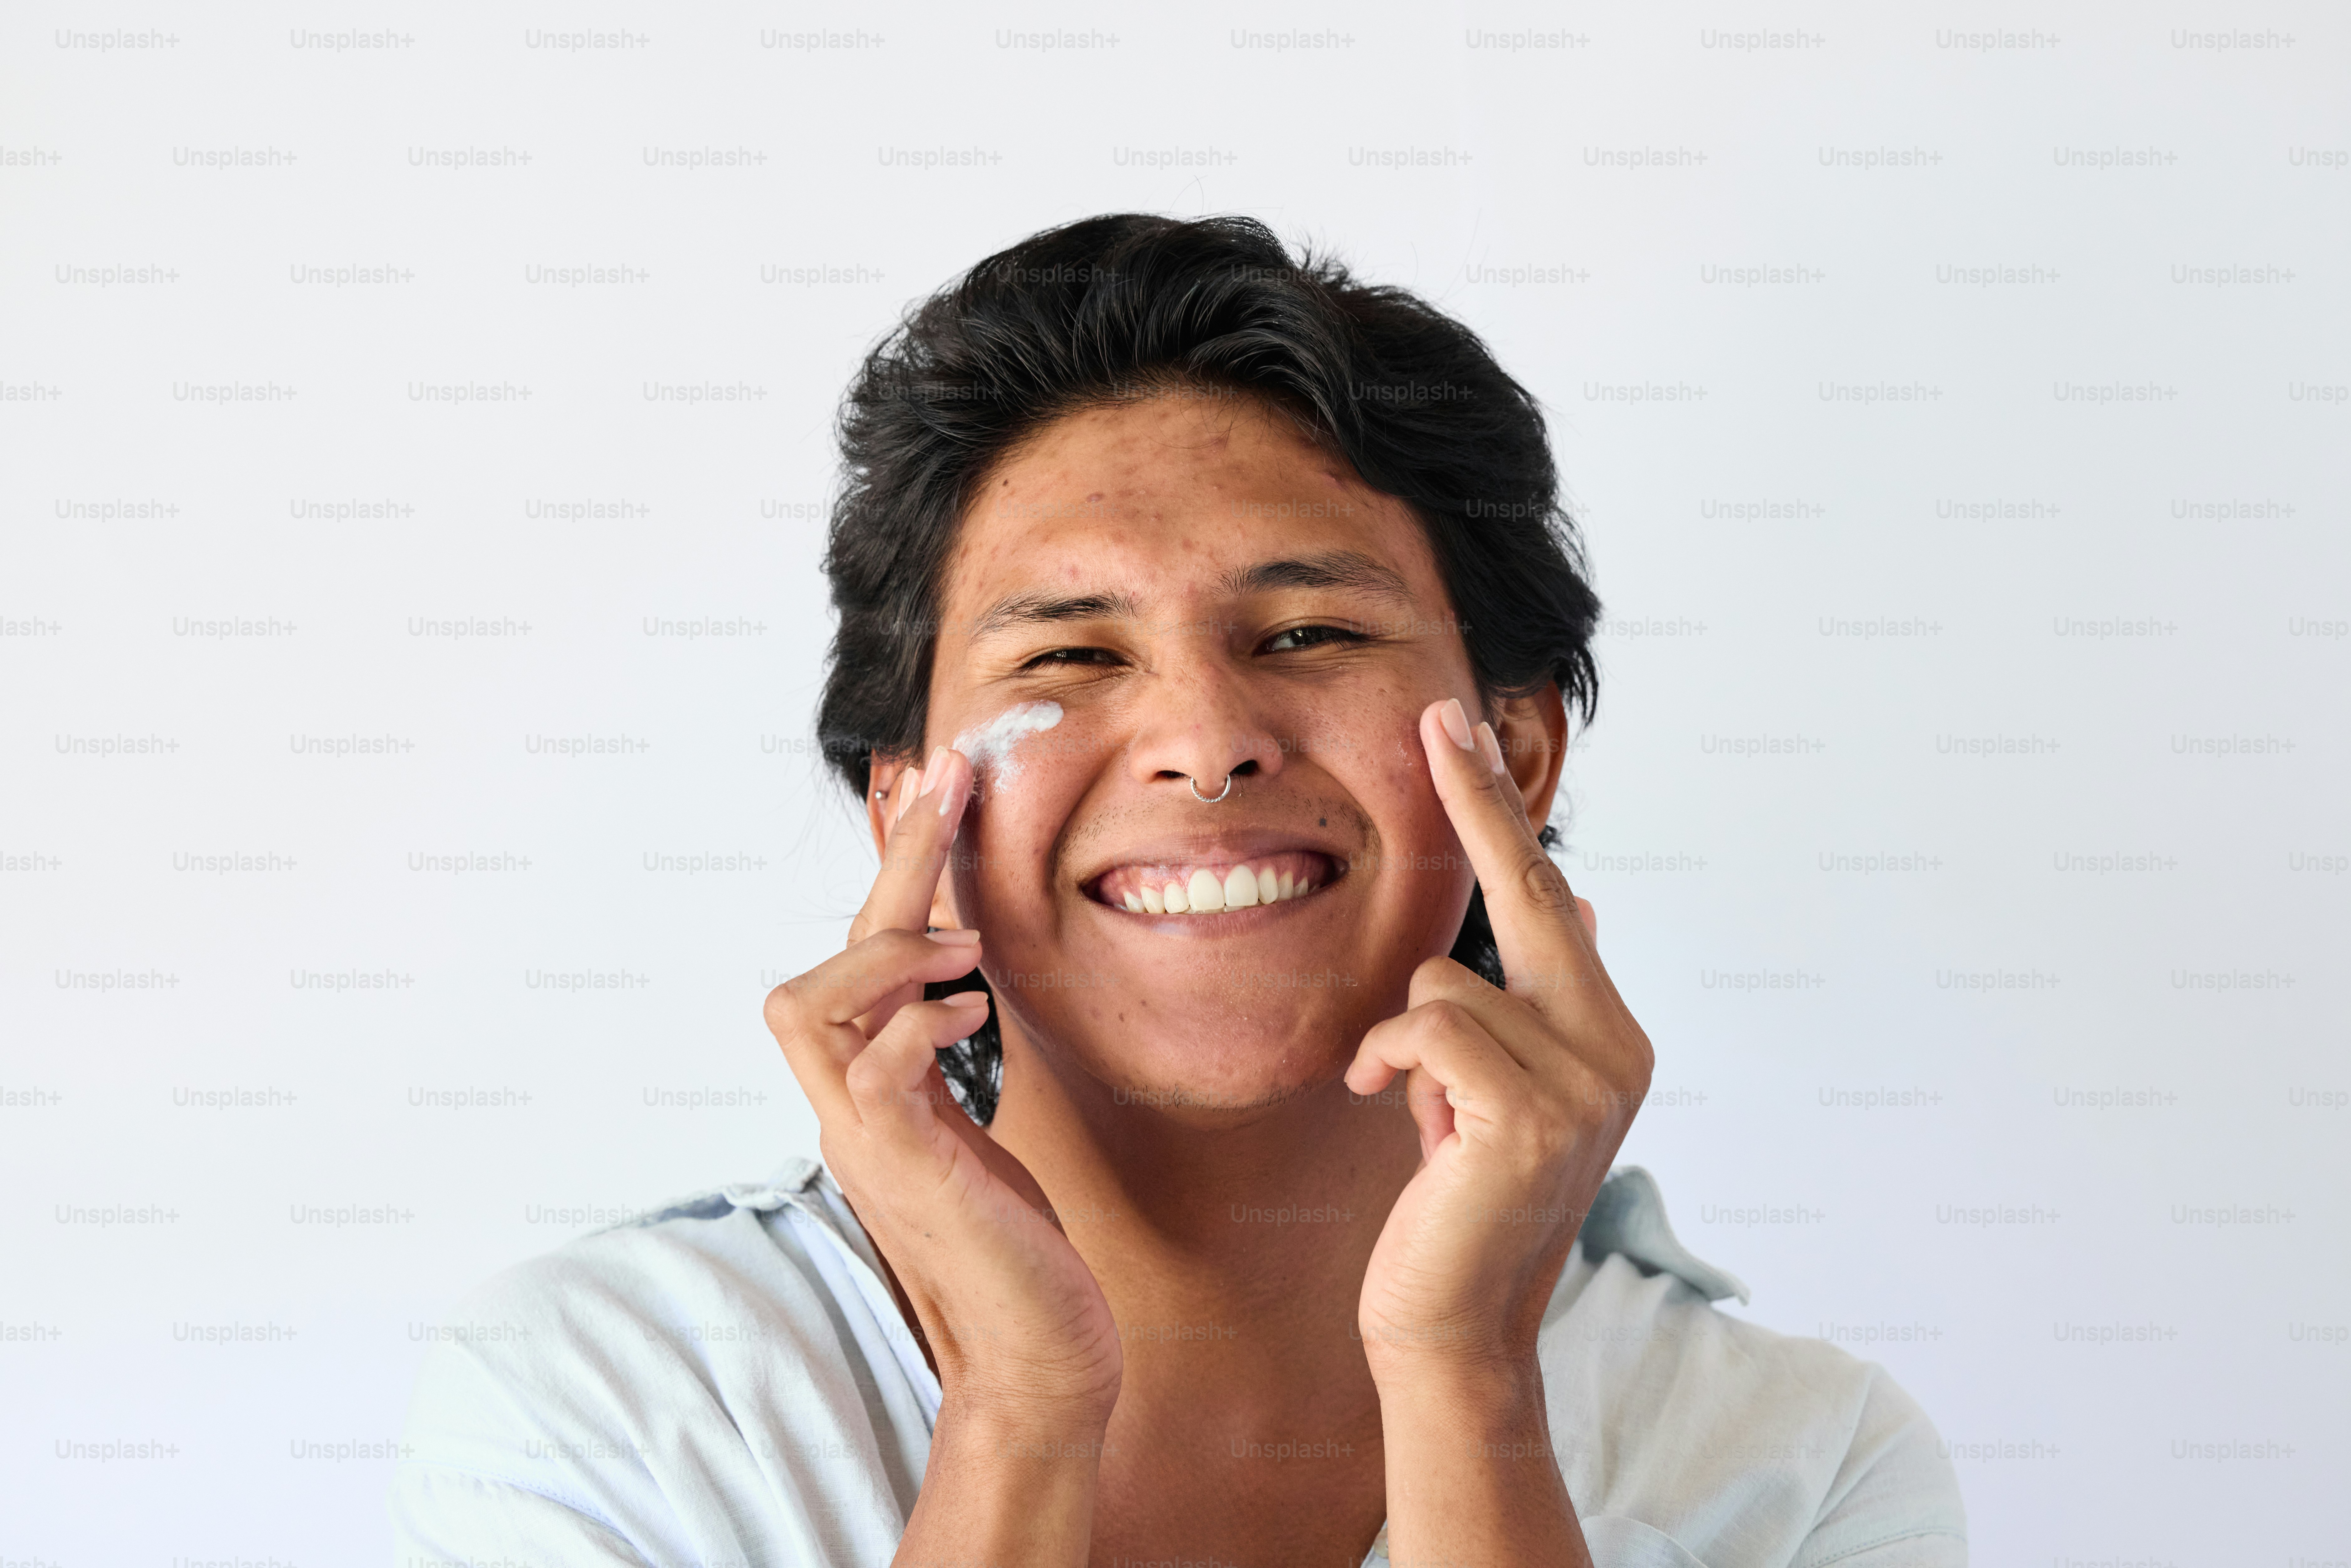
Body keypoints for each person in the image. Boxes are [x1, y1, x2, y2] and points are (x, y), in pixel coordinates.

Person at [392, 214, 1966, 1566]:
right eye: (1071, 655)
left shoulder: (1801, 1470)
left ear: (1520, 752)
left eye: (1309, 634)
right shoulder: (614, 1408)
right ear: (904, 806)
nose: (1207, 746)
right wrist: (1019, 1408)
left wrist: (1466, 1374)